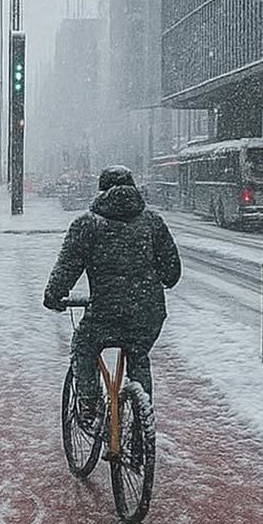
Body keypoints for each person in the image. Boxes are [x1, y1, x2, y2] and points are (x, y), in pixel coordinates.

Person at [43, 165, 181, 422]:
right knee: (138, 354)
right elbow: (172, 273)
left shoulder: (87, 224)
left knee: (83, 346)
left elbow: (68, 265)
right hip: (147, 314)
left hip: (105, 313)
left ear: (101, 190)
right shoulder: (153, 222)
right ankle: (142, 419)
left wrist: (55, 295)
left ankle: (89, 406)